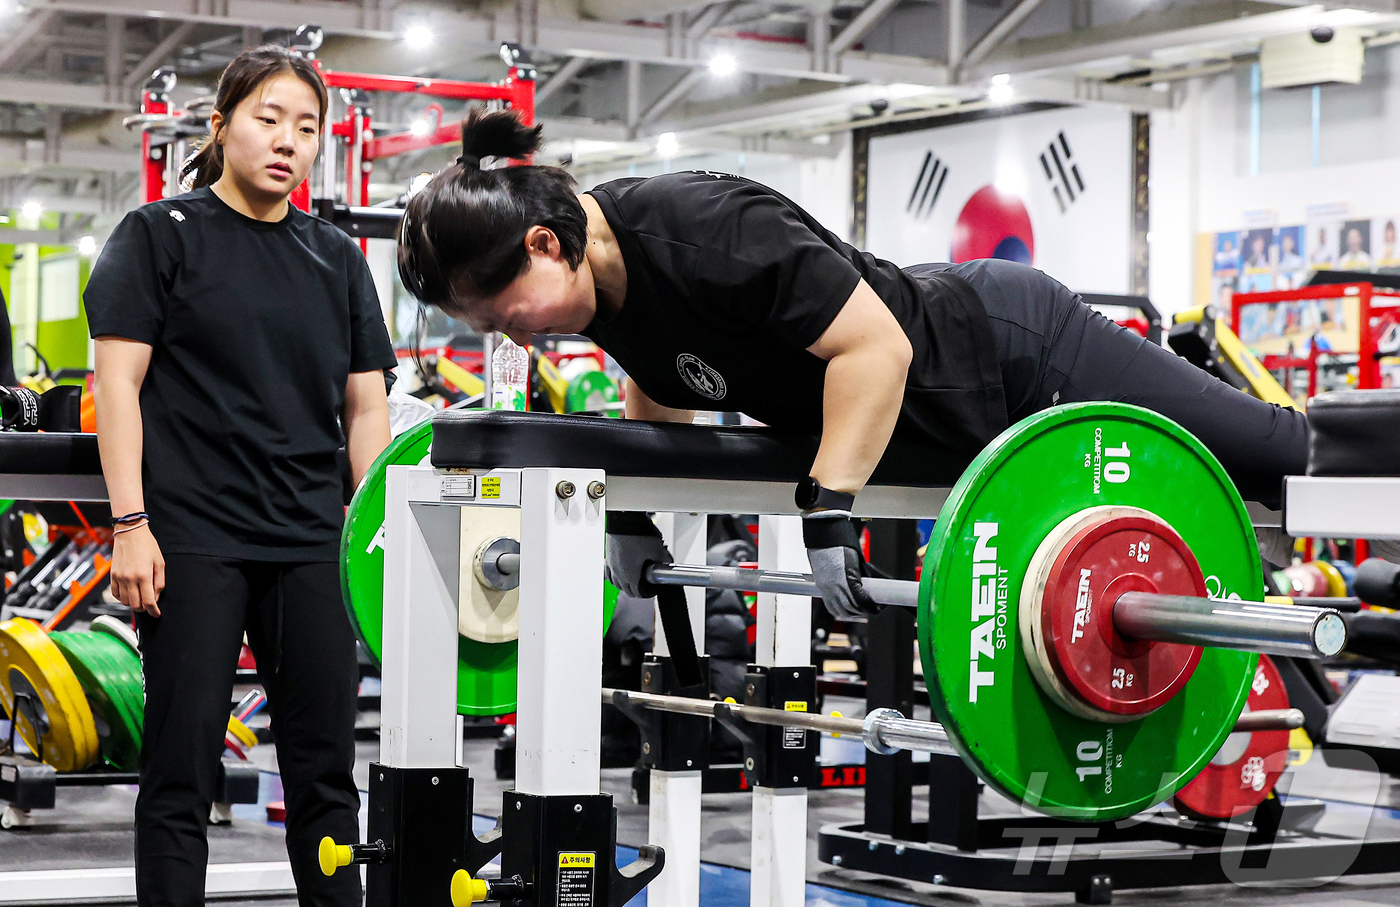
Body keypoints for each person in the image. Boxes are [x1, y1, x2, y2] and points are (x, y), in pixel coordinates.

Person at [397, 110, 1307, 619]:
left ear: (546, 245)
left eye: (496, 311)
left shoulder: (705, 232)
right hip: (933, 422)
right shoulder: (596, 288)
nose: (504, 336)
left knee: (1276, 454)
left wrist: (827, 513)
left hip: (1010, 350)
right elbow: (658, 381)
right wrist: (633, 514)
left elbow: (876, 348)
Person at [85, 46, 395, 907]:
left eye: (306, 127)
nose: (288, 140)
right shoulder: (158, 235)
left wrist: (367, 526)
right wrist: (130, 524)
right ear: (220, 127)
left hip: (309, 543)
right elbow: (115, 386)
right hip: (191, 542)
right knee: (181, 773)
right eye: (268, 118)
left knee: (326, 776)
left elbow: (366, 408)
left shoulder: (336, 257)